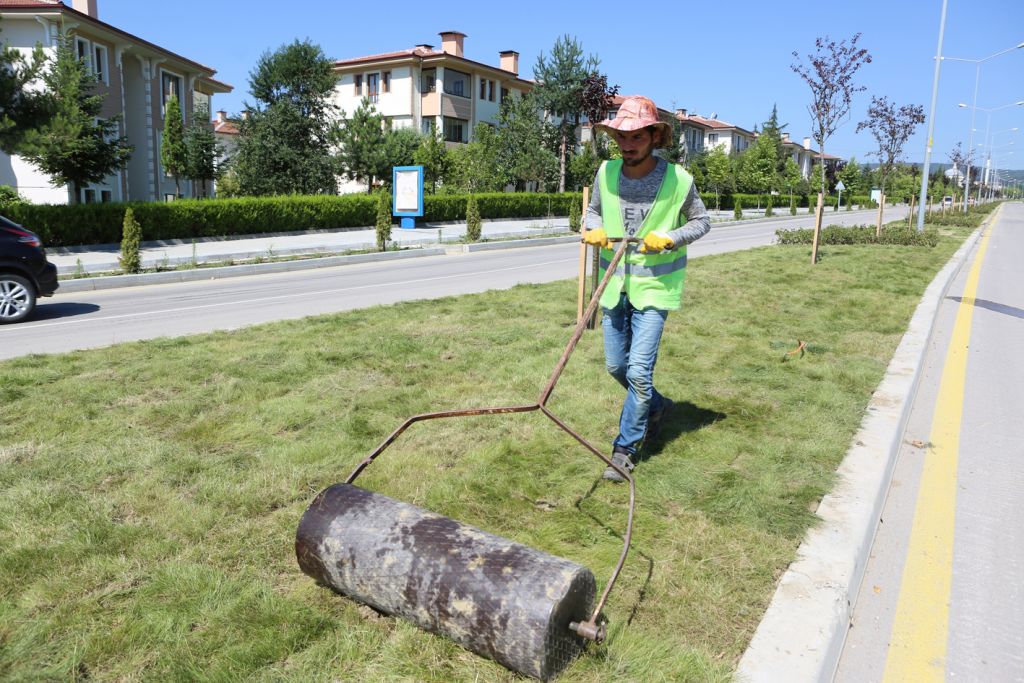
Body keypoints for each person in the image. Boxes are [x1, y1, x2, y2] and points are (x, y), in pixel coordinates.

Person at [582, 95, 710, 482]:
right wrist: (592, 230)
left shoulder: (678, 180)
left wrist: (670, 238)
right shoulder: (605, 173)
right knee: (615, 365)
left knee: (638, 371)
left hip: (654, 288)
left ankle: (624, 450)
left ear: (654, 136)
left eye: (636, 136)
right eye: (621, 137)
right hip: (613, 287)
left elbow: (702, 222)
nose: (626, 145)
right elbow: (591, 214)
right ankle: (657, 406)